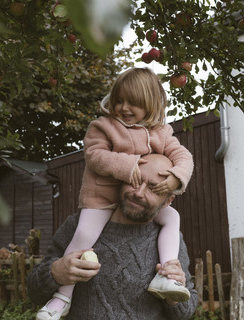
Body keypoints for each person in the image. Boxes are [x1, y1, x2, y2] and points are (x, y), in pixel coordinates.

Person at [35, 67, 194, 319]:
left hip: (168, 268)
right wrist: (56, 273)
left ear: (151, 105)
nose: (123, 107)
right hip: (100, 199)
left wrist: (177, 175)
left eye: (134, 103)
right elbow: (94, 155)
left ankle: (166, 277)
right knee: (85, 235)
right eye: (119, 100)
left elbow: (183, 155)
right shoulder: (104, 126)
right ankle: (63, 296)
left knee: (173, 218)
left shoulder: (161, 132)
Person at [27, 154, 198, 320]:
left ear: (168, 201)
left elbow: (185, 312)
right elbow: (34, 292)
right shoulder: (79, 226)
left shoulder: (169, 239)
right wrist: (55, 273)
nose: (139, 192)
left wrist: (174, 298)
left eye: (154, 188)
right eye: (135, 180)